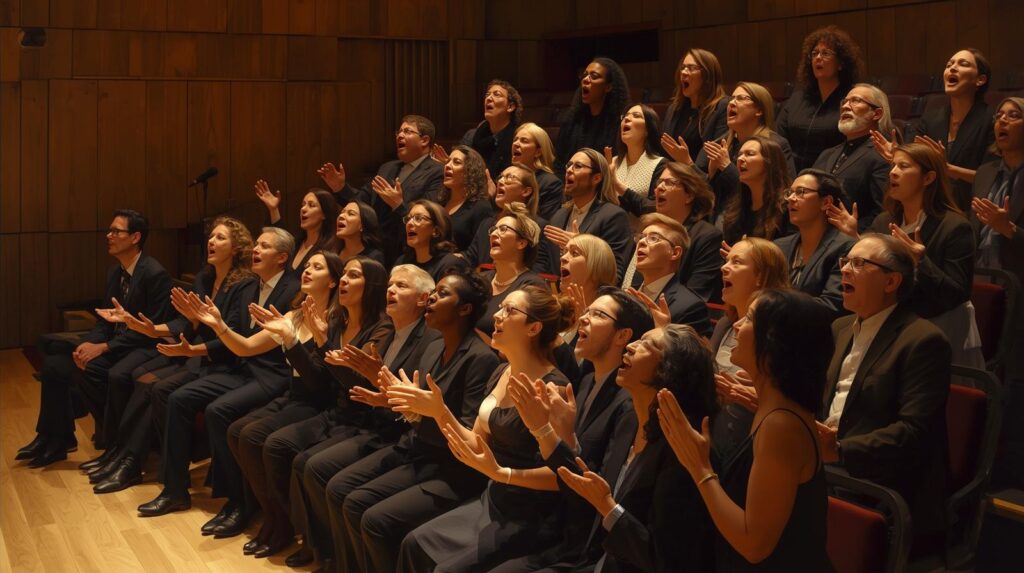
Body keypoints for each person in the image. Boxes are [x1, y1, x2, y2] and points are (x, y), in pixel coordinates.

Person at [91, 228, 299, 503]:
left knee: (205, 406)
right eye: (256, 245)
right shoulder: (241, 284)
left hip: (264, 373)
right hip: (234, 364)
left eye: (264, 246)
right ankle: (172, 486)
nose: (256, 250)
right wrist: (169, 329)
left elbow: (239, 339)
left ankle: (234, 500)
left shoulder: (291, 290)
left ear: (282, 257)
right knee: (170, 394)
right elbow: (221, 332)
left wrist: (203, 333)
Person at [315, 270, 500, 573]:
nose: (431, 299)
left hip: (450, 470)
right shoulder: (432, 348)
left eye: (442, 294)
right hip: (416, 449)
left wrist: (416, 410)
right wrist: (388, 397)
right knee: (340, 490)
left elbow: (467, 436)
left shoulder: (480, 359)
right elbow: (417, 409)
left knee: (369, 516)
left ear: (464, 309)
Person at [396, 285, 576, 572]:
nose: (497, 316)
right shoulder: (500, 371)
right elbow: (477, 443)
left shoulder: (552, 387)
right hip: (494, 499)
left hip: (530, 515)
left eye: (509, 310)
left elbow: (561, 475)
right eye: (500, 307)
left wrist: (502, 474)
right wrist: (438, 412)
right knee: (413, 544)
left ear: (534, 328)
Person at [475, 288, 655, 572]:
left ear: (623, 336)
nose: (583, 318)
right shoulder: (584, 383)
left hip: (578, 536)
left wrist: (544, 433)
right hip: (552, 517)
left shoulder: (628, 406)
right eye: (586, 311)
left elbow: (598, 484)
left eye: (597, 314)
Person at [660, 289, 833, 571]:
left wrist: (699, 467)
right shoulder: (770, 408)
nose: (737, 324)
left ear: (774, 342)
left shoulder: (781, 424)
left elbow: (754, 545)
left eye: (750, 318)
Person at [287, 264, 441, 569]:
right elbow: (358, 387)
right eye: (390, 285)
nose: (391, 290)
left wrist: (376, 382)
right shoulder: (390, 334)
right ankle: (327, 553)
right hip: (372, 423)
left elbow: (411, 401)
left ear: (424, 299)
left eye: (401, 286)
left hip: (395, 433)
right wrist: (325, 343)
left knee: (323, 473)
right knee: (306, 463)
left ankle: (340, 560)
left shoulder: (429, 341)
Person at [249, 256, 394, 558]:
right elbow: (315, 377)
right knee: (272, 444)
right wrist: (292, 340)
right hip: (335, 412)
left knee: (300, 459)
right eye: (344, 275)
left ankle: (318, 543)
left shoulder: (382, 328)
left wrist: (324, 342)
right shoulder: (336, 320)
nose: (344, 281)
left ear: (372, 286)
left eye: (353, 276)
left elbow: (357, 384)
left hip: (362, 418)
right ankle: (297, 531)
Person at [112, 218, 256, 514]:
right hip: (201, 359)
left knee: (168, 393)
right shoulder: (205, 278)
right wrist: (154, 330)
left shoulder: (245, 284)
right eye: (211, 237)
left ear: (236, 248)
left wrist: (193, 348)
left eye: (220, 238)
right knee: (156, 388)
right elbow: (186, 323)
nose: (211, 242)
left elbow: (234, 336)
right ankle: (156, 470)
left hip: (229, 365)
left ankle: (171, 481)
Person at [817, 233, 951, 549]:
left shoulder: (923, 340)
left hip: (876, 481)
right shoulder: (841, 327)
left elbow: (913, 432)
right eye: (844, 261)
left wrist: (839, 449)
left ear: (891, 282)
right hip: (828, 465)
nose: (845, 270)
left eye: (859, 263)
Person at [210, 251, 344, 558]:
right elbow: (245, 348)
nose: (307, 270)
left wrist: (291, 340)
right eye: (307, 265)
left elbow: (320, 382)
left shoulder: (335, 321)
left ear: (333, 280)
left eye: (317, 267)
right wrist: (219, 326)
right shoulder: (292, 316)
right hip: (294, 395)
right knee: (235, 431)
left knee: (257, 437)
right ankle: (274, 516)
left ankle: (283, 523)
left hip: (319, 402)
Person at [17, 210, 174, 468]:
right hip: (117, 346)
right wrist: (87, 345)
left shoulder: (154, 274)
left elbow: (149, 330)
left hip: (143, 348)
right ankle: (55, 439)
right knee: (56, 365)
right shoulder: (115, 272)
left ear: (135, 237)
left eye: (116, 231)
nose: (108, 236)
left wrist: (103, 347)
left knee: (92, 370)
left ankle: (115, 441)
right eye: (109, 230)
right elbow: (104, 319)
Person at [829, 142, 980, 366]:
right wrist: (857, 238)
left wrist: (921, 261)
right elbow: (878, 267)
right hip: (892, 319)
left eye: (903, 166)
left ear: (928, 178)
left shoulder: (955, 227)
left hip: (938, 325)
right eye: (892, 166)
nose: (893, 172)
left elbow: (956, 294)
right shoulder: (884, 221)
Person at [971, 97, 1024, 487]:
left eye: (1014, 115)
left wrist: (1011, 232)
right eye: (1000, 116)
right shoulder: (987, 170)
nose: (1002, 121)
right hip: (981, 289)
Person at [319, 115, 445, 264]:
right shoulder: (387, 168)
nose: (400, 135)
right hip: (373, 247)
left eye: (407, 131)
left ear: (424, 140)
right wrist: (340, 188)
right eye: (398, 132)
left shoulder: (438, 172)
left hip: (406, 250)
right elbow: (362, 203)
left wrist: (398, 205)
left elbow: (429, 215)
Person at [711, 238, 791, 459]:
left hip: (754, 447)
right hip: (716, 437)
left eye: (736, 262)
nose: (724, 267)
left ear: (760, 277)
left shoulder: (780, 331)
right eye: (726, 261)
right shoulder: (724, 324)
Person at [904, 48, 994, 211]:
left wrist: (948, 169)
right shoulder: (931, 118)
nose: (952, 68)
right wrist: (897, 154)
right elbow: (915, 160)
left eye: (963, 64)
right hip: (933, 207)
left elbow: (993, 177)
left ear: (980, 80)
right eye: (949, 64)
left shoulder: (992, 119)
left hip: (975, 209)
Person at [620, 162, 724, 301]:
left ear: (689, 196)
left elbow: (696, 294)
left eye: (669, 182)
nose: (659, 188)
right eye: (659, 182)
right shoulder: (646, 231)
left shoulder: (706, 236)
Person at [776, 26, 864, 171]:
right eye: (815, 53)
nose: (818, 58)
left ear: (841, 63)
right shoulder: (798, 99)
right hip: (792, 175)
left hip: (832, 176)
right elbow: (779, 139)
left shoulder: (851, 99)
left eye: (826, 53)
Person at [701, 82, 796, 214]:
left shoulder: (776, 145)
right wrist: (711, 174)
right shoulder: (724, 144)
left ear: (759, 110)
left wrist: (727, 167)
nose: (731, 103)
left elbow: (782, 192)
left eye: (740, 98)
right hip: (726, 216)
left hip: (761, 216)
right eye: (731, 98)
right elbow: (712, 194)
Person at [545, 148, 634, 282]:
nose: (569, 170)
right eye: (568, 165)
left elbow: (614, 274)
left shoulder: (613, 216)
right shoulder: (558, 216)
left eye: (578, 166)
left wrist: (581, 246)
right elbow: (543, 264)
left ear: (596, 178)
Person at [813, 83, 894, 230]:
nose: (845, 106)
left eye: (856, 100)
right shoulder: (827, 154)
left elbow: (882, 212)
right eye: (844, 102)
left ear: (876, 114)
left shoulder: (883, 155)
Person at [775, 169, 854, 318]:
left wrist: (776, 307)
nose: (791, 198)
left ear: (826, 202)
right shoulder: (780, 247)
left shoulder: (845, 248)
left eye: (801, 192)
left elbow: (833, 304)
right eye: (790, 192)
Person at [462, 163, 559, 276]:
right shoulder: (487, 224)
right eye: (500, 177)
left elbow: (540, 270)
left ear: (526, 191)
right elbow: (469, 259)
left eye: (509, 177)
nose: (501, 181)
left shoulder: (538, 227)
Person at [627, 214, 712, 336]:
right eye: (641, 237)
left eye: (653, 238)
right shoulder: (629, 296)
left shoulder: (690, 307)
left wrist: (663, 332)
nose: (641, 242)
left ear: (675, 253)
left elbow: (689, 354)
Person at [476, 203, 550, 337]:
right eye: (493, 229)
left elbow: (526, 342)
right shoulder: (481, 280)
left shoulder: (532, 286)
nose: (493, 234)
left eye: (503, 229)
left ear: (522, 243)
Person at [555, 57, 630, 174]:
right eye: (584, 75)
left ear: (608, 87)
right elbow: (559, 162)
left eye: (594, 76)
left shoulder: (619, 124)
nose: (585, 79)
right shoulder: (572, 119)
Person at [661, 48, 730, 165]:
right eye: (682, 67)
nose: (683, 72)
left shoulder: (722, 107)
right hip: (671, 176)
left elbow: (710, 158)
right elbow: (664, 151)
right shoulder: (674, 108)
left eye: (691, 68)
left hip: (700, 179)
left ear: (707, 75)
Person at [720, 135, 794, 244]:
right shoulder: (736, 209)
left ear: (769, 162)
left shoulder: (787, 207)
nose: (740, 159)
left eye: (749, 154)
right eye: (739, 155)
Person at [257, 183, 338, 275]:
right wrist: (273, 209)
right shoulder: (296, 243)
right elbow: (281, 239)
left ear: (324, 214)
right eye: (303, 204)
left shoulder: (328, 250)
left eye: (311, 205)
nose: (303, 209)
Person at [557, 234, 618, 346]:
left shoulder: (605, 322)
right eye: (564, 252)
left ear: (597, 266)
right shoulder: (558, 310)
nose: (563, 258)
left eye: (574, 253)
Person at [435, 145, 495, 252]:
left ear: (470, 171)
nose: (447, 166)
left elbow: (481, 249)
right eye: (448, 161)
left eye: (456, 162)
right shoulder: (439, 203)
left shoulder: (480, 207)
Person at [606, 104, 668, 204]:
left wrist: (617, 185)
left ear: (648, 130)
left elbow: (655, 207)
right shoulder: (613, 161)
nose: (627, 118)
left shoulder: (661, 165)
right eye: (625, 115)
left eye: (636, 115)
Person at [394, 199, 468, 282]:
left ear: (436, 231)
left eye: (418, 218)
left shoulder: (451, 265)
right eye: (408, 219)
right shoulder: (402, 261)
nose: (409, 223)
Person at [460, 79, 523, 177]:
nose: (489, 98)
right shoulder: (471, 136)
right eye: (487, 95)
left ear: (510, 106)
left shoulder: (519, 139)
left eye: (496, 94)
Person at [512, 122, 565, 220]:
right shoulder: (506, 177)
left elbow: (544, 223)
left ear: (538, 152)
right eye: (515, 140)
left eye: (524, 141)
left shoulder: (550, 183)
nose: (515, 144)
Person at [331, 200, 385, 266]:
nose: (341, 216)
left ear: (363, 225)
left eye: (351, 214)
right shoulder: (332, 250)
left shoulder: (373, 257)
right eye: (342, 212)